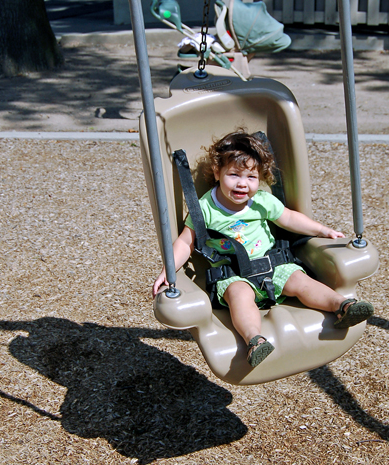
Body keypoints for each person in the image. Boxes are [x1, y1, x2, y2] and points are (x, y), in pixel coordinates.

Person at [153, 131, 374, 368]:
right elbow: (186, 242)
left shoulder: (261, 200)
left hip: (273, 265)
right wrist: (169, 270)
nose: (242, 183)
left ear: (260, 179)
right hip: (234, 276)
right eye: (234, 174)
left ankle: (342, 306)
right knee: (240, 297)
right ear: (217, 173)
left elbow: (289, 218)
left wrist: (321, 230)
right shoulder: (205, 208)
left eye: (251, 177)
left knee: (301, 282)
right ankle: (254, 340)